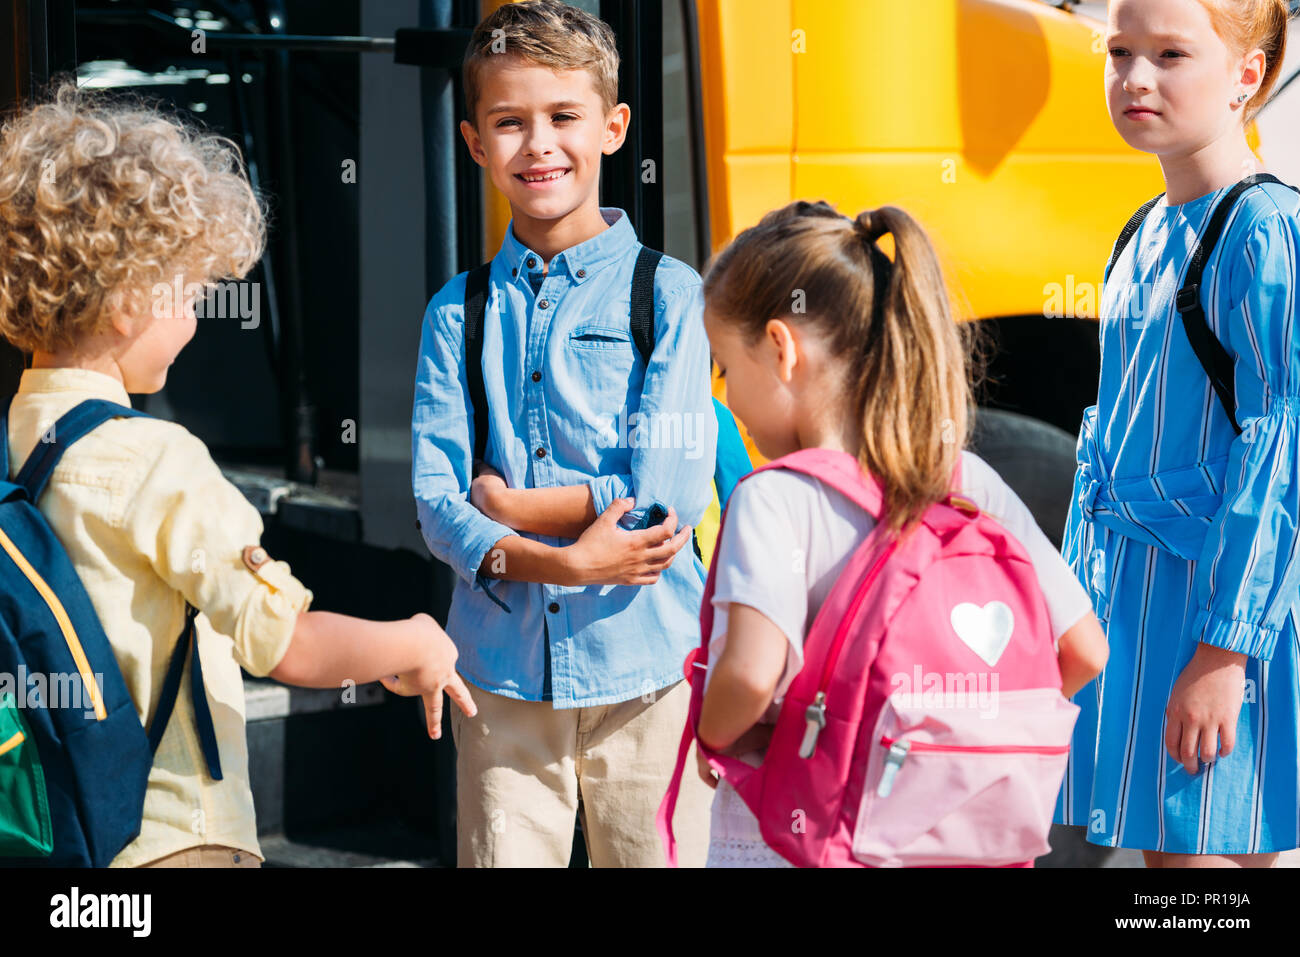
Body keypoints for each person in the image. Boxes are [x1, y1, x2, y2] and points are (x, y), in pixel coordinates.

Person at [0, 84, 475, 868]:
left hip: (57, 840)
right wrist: (414, 638)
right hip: (172, 837)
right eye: (188, 293)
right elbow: (286, 646)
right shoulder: (159, 460)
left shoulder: (15, 444)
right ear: (127, 303)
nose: (193, 320)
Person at [694, 199, 1109, 867]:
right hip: (956, 842)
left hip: (805, 839)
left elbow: (747, 674)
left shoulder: (775, 498)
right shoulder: (971, 480)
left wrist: (709, 737)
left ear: (780, 348)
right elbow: (1085, 650)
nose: (728, 397)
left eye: (724, 369)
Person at [411, 0, 717, 867]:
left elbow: (669, 493)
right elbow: (437, 504)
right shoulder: (455, 313)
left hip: (650, 673)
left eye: (563, 117)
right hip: (501, 684)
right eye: (510, 122)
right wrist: (566, 558)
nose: (538, 143)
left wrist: (514, 504)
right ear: (475, 143)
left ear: (614, 128)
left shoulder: (669, 294)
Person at [1057, 0, 1300, 868]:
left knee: (1203, 869)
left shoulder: (1263, 231)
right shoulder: (1141, 233)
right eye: (1120, 51)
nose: (1136, 78)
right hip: (1138, 606)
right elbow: (1102, 445)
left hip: (1216, 612)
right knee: (1172, 865)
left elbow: (1281, 450)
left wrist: (1223, 649)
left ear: (1248, 76)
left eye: (1170, 53)